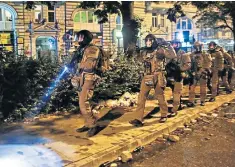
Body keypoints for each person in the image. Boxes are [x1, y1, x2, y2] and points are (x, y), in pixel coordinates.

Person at [129, 34, 177, 127]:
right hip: (147, 76)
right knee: (141, 98)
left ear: (154, 41)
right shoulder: (144, 52)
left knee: (160, 97)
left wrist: (168, 45)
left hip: (158, 76)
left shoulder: (160, 50)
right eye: (146, 40)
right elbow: (138, 60)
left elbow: (172, 56)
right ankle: (138, 118)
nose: (148, 42)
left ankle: (164, 114)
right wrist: (135, 52)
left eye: (150, 40)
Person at [68, 30, 109, 137]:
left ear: (86, 38)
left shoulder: (92, 49)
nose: (79, 39)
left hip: (90, 77)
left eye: (81, 37)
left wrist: (78, 63)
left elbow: (89, 65)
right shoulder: (81, 49)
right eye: (78, 37)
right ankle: (88, 123)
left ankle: (93, 125)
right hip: (82, 77)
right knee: (84, 102)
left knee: (83, 101)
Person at [168, 42, 191, 115]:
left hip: (179, 75)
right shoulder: (169, 53)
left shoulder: (183, 54)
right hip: (171, 75)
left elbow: (187, 65)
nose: (174, 45)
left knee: (176, 92)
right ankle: (178, 105)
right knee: (175, 92)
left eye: (175, 44)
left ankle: (174, 110)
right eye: (173, 44)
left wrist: (179, 68)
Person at [187, 41, 212, 107]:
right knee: (192, 88)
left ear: (201, 46)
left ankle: (202, 100)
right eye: (196, 46)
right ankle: (191, 101)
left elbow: (209, 64)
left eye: (199, 46)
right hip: (194, 73)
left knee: (203, 88)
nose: (197, 48)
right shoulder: (191, 55)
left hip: (203, 73)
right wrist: (191, 72)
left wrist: (202, 70)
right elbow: (189, 64)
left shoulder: (206, 54)